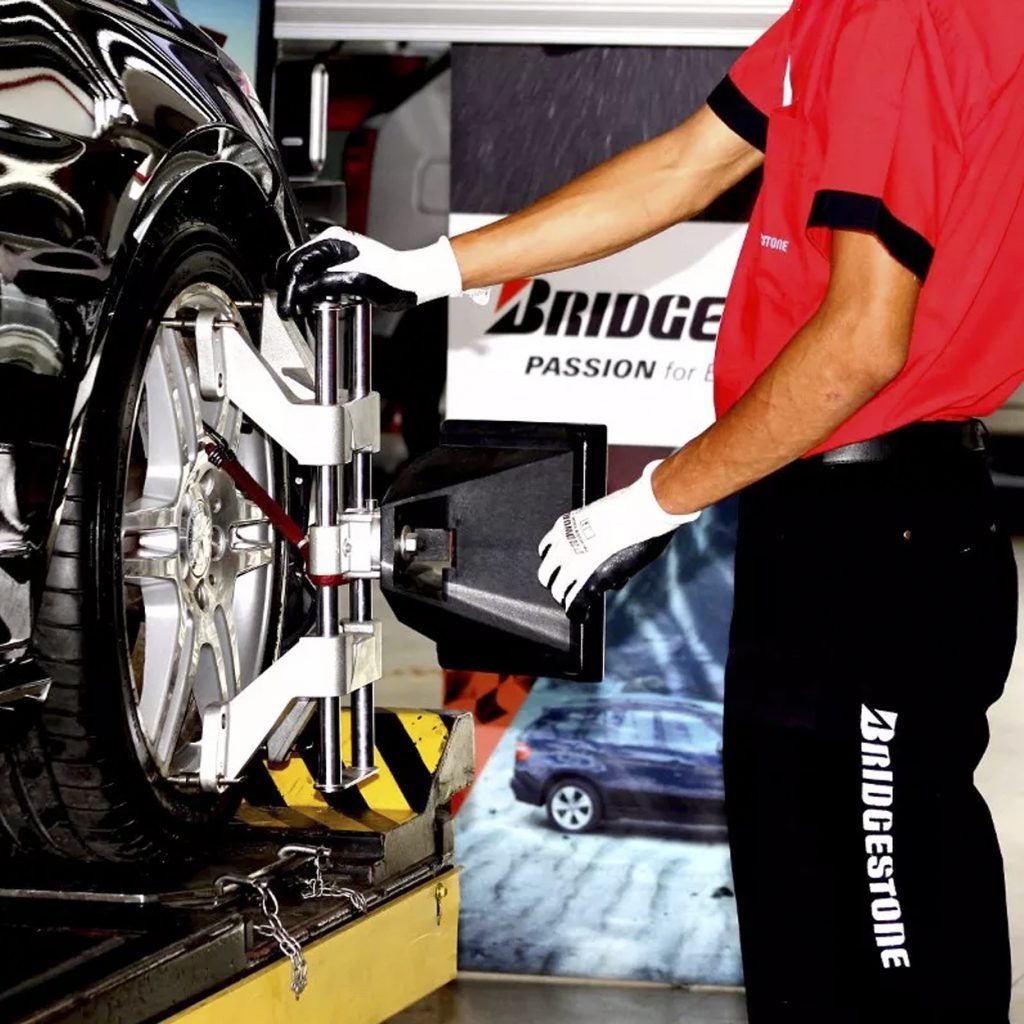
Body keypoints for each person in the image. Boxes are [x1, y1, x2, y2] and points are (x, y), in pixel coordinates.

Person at [277, 1, 1024, 1019]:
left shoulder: (911, 15)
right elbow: (684, 166)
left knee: (884, 930)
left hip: (878, 534)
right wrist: (433, 268)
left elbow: (860, 343)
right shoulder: (842, 14)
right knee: (803, 915)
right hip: (836, 522)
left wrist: (643, 505)